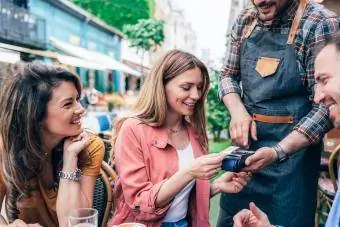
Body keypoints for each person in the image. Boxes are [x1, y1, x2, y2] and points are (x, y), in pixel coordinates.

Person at [218, 0, 340, 226]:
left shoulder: (320, 23)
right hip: (243, 165)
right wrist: (237, 110)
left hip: (291, 171)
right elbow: (227, 75)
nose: (259, 1)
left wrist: (277, 151)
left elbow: (326, 103)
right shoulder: (245, 20)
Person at [107, 50, 250, 227]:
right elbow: (139, 203)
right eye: (186, 87)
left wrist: (216, 186)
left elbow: (182, 200)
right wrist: (189, 172)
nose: (196, 95)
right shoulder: (133, 130)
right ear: (162, 85)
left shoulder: (194, 132)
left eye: (199, 87)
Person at [0, 62, 105, 227]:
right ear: (36, 114)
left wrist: (70, 158)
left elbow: (73, 224)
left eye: (78, 100)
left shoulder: (90, 146)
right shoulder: (6, 149)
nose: (81, 110)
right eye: (68, 104)